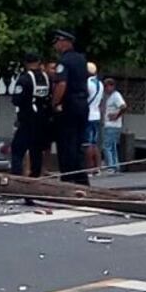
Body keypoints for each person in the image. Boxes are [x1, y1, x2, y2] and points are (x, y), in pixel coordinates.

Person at [51, 29, 90, 184]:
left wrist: (55, 103)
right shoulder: (81, 59)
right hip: (82, 104)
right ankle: (81, 178)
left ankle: (68, 178)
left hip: (69, 105)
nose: (56, 47)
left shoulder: (64, 61)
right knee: (79, 143)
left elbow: (61, 84)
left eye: (57, 43)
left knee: (66, 143)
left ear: (64, 42)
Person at [9, 51, 50, 176]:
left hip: (27, 119)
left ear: (26, 63)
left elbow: (16, 100)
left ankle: (16, 177)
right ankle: (35, 177)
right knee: (36, 151)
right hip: (42, 118)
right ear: (38, 62)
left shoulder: (25, 78)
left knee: (17, 149)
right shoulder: (45, 77)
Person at [100, 77, 127, 173]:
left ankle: (111, 166)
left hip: (112, 125)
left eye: (107, 86)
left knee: (107, 146)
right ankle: (115, 165)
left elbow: (123, 107)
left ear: (112, 86)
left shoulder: (116, 96)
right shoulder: (108, 96)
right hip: (110, 125)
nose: (106, 88)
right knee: (112, 146)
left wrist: (116, 115)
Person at [84, 62, 104, 173]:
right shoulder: (100, 84)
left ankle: (89, 168)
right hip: (96, 115)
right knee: (95, 143)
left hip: (88, 115)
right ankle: (98, 167)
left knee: (87, 143)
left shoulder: (87, 83)